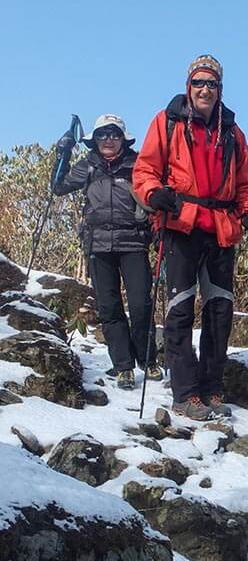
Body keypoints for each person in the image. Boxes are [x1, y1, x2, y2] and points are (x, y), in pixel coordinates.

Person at [133, 54, 248, 421]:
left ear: (220, 89)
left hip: (221, 228)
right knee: (180, 310)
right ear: (188, 86)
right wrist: (153, 194)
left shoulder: (233, 132)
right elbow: (144, 170)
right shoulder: (167, 122)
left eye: (212, 84)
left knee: (220, 311)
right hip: (181, 224)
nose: (205, 90)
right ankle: (185, 393)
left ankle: (212, 388)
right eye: (199, 83)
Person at [53, 114, 160, 391]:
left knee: (140, 305)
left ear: (123, 138)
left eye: (114, 134)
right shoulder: (88, 165)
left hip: (133, 243)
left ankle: (148, 359)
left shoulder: (138, 164)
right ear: (94, 139)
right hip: (98, 245)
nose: (108, 140)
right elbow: (58, 186)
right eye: (102, 134)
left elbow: (156, 193)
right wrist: (62, 152)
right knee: (109, 308)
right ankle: (123, 366)